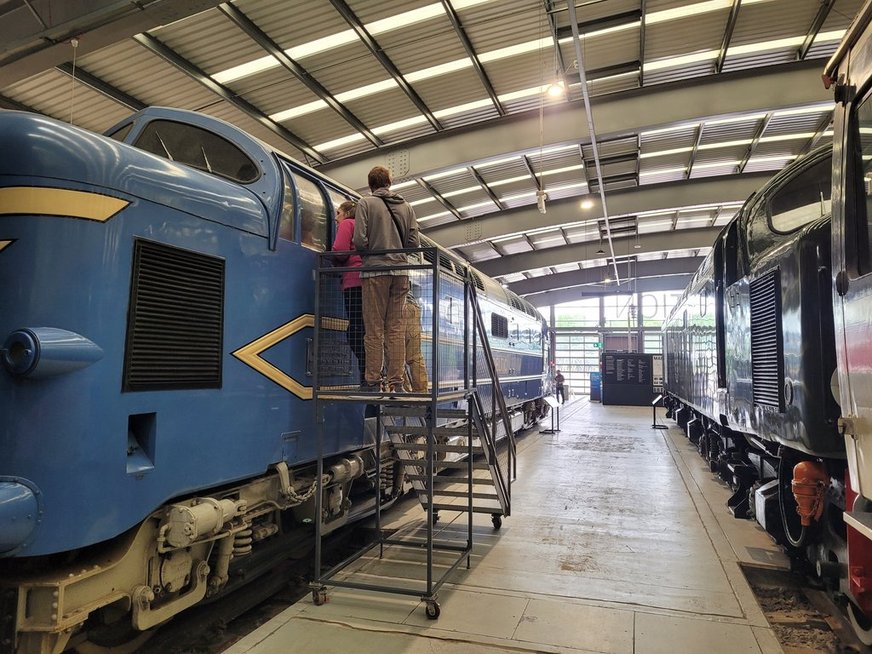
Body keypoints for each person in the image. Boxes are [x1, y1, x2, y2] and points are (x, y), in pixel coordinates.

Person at [353, 166, 419, 394]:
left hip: (375, 272)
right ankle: (396, 382)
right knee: (396, 328)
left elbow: (359, 240)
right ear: (389, 183)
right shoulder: (407, 207)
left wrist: (372, 254)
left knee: (374, 328)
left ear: (371, 184)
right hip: (401, 273)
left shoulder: (365, 203)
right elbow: (413, 244)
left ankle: (372, 381)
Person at [331, 200, 365, 382]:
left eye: (338, 213)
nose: (336, 218)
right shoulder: (363, 226)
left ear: (346, 213)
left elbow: (340, 250)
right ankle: (370, 374)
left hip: (352, 282)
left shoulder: (347, 224)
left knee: (354, 331)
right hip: (367, 283)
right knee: (364, 329)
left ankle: (368, 373)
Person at [403, 286, 428, 392]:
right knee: (415, 356)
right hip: (412, 306)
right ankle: (421, 392)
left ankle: (404, 392)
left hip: (397, 307)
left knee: (394, 356)